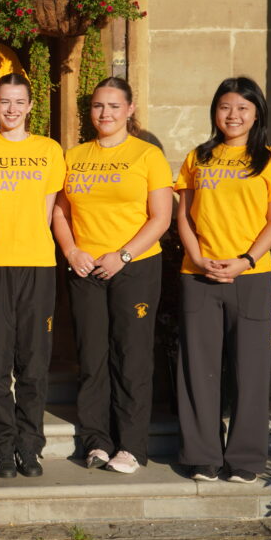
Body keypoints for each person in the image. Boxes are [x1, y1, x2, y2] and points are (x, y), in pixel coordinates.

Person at [175, 77, 271, 484]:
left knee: (249, 369)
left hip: (251, 276)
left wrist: (245, 260)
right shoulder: (198, 157)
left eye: (242, 108)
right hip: (199, 274)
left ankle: (245, 458)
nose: (233, 115)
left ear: (257, 113)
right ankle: (203, 456)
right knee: (199, 368)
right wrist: (197, 256)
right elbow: (184, 214)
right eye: (225, 107)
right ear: (215, 111)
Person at [52, 77, 173, 475]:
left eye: (114, 106)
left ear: (130, 109)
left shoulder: (147, 155)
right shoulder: (75, 156)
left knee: (132, 356)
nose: (106, 114)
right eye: (98, 106)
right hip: (85, 268)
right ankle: (96, 441)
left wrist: (122, 255)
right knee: (92, 355)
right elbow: (60, 211)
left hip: (134, 267)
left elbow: (161, 217)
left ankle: (131, 446)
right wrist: (71, 250)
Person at [0, 74, 65, 479]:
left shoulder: (48, 150)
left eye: (18, 102)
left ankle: (30, 446)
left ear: (30, 107)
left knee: (33, 362)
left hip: (37, 264)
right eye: (4, 102)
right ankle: (1, 446)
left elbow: (48, 211)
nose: (11, 109)